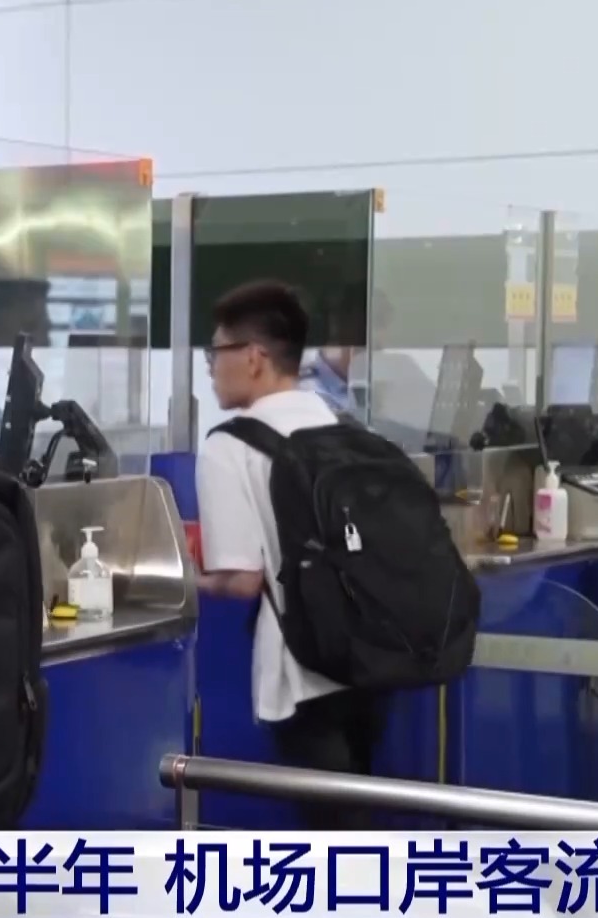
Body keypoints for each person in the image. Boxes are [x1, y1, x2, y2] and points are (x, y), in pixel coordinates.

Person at [194, 280, 381, 829]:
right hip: (369, 660)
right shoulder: (337, 424)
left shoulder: (229, 445)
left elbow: (241, 579)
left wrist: (187, 580)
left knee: (330, 833)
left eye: (215, 352)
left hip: (301, 674)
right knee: (355, 826)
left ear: (253, 358)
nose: (211, 367)